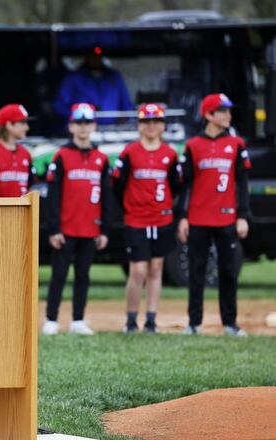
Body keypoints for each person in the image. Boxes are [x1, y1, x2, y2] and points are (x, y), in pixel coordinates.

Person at [177, 93, 251, 337]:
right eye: (223, 110)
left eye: (229, 110)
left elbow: (242, 183)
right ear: (209, 115)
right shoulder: (193, 145)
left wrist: (243, 215)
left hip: (226, 218)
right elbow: (186, 184)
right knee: (196, 272)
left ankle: (230, 323)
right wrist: (183, 216)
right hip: (198, 218)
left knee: (228, 271)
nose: (228, 115)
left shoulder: (237, 144)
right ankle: (193, 323)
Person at [43, 103, 112, 335]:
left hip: (90, 228)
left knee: (83, 274)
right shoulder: (61, 156)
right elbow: (53, 195)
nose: (83, 128)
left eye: (87, 123)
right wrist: (54, 228)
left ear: (94, 126)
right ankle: (51, 319)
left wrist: (104, 230)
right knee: (59, 274)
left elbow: (106, 196)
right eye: (78, 123)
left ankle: (78, 320)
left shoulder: (101, 158)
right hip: (66, 228)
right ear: (71, 126)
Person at [112, 103, 180, 333]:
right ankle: (131, 320)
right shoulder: (130, 153)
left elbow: (176, 185)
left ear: (163, 125)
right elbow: (117, 185)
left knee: (156, 268)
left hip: (161, 219)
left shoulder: (170, 154)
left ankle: (151, 319)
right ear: (139, 125)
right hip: (136, 219)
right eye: (146, 121)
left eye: (156, 121)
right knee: (138, 270)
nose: (151, 126)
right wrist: (130, 206)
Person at [54, 48, 134, 125]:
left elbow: (126, 105)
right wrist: (77, 117)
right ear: (87, 56)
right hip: (82, 128)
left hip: (111, 128)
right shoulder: (73, 77)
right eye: (92, 55)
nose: (95, 58)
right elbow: (59, 106)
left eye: (98, 55)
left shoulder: (114, 77)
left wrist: (125, 118)